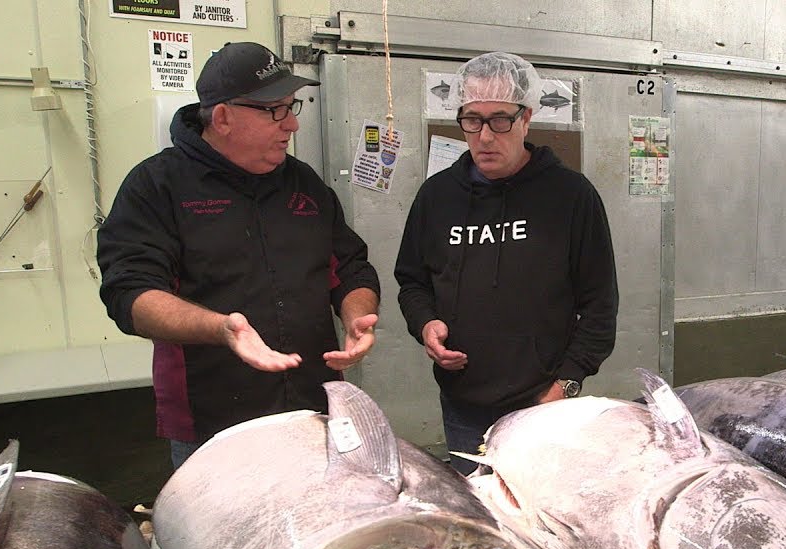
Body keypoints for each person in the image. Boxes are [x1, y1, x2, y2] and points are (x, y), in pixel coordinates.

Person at [97, 42, 380, 469]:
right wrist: (221, 329)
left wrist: (357, 315)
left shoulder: (304, 184)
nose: (292, 125)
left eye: (292, 106)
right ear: (223, 117)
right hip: (213, 424)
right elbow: (130, 294)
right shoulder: (157, 186)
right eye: (275, 111)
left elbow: (350, 266)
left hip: (312, 413)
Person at [394, 51, 619, 475]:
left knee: (543, 518)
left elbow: (600, 305)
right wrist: (425, 324)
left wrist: (564, 385)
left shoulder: (570, 197)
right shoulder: (436, 197)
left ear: (527, 117)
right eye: (472, 120)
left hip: (545, 404)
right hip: (464, 406)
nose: (484, 136)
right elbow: (412, 281)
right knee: (483, 521)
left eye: (500, 120)